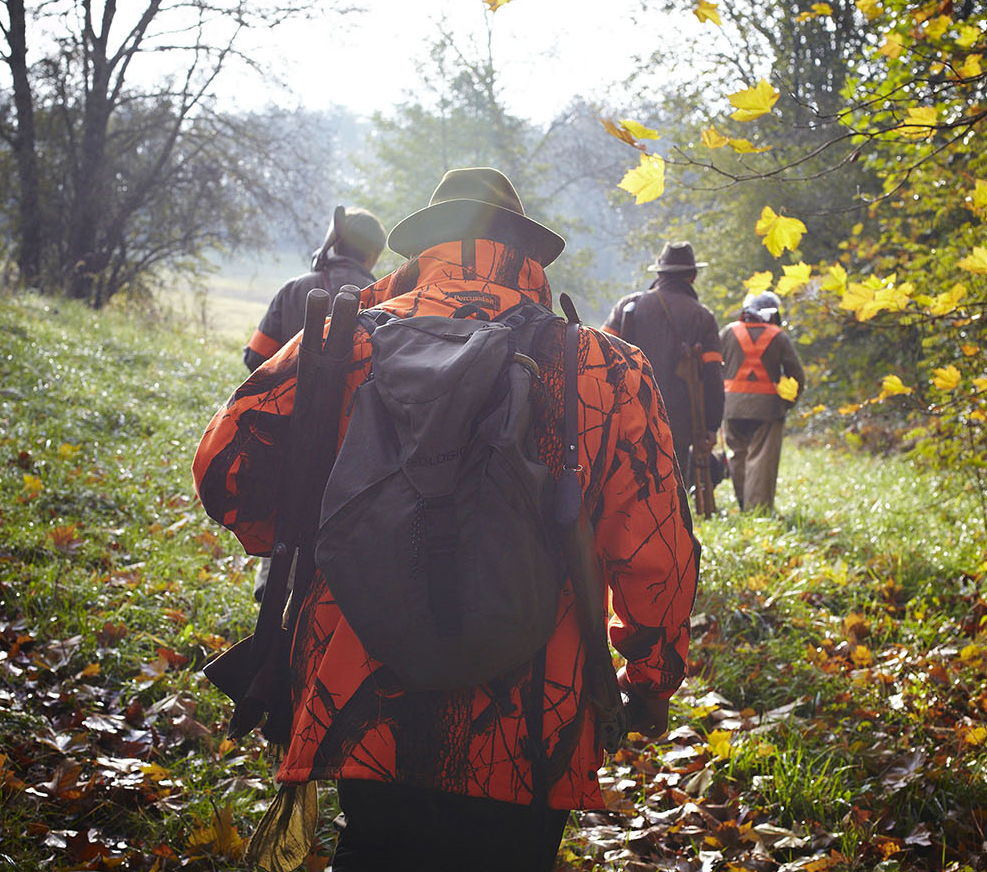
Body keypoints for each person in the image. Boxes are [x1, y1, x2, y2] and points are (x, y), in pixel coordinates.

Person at [194, 168, 699, 871]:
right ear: (527, 254)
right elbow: (658, 553)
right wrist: (651, 675)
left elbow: (223, 468)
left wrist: (315, 534)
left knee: (376, 848)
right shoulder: (603, 364)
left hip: (362, 687)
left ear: (423, 247)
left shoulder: (346, 343)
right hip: (533, 713)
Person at [601, 241, 725, 478]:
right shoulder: (703, 317)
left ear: (659, 273)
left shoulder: (628, 306)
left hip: (627, 416)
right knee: (671, 486)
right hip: (679, 422)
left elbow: (597, 357)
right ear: (693, 276)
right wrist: (711, 426)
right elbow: (712, 377)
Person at [243, 207, 386, 371]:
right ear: (373, 254)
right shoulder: (385, 298)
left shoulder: (293, 289)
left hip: (289, 397)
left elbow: (255, 357)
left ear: (334, 245)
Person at [721, 290, 805, 511]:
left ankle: (743, 504)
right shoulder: (778, 336)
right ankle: (757, 510)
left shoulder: (728, 332)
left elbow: (712, 368)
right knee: (761, 461)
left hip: (731, 408)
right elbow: (797, 377)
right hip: (768, 409)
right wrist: (787, 403)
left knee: (737, 456)